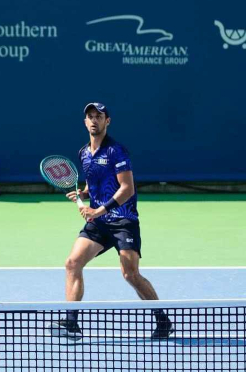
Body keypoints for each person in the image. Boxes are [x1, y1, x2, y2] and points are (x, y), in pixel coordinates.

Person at [51, 102, 174, 341]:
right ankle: (71, 323)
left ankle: (162, 320)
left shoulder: (116, 151)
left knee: (130, 274)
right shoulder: (83, 153)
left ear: (107, 121)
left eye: (99, 116)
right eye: (90, 116)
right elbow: (93, 183)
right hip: (99, 224)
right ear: (85, 122)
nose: (94, 120)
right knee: (72, 263)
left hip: (123, 220)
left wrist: (99, 210)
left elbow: (127, 188)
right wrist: (83, 193)